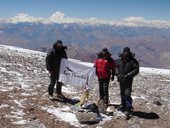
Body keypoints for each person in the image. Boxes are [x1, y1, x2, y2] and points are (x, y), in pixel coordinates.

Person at [116, 47, 139, 119]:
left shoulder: (133, 61)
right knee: (122, 93)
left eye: (127, 52)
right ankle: (123, 105)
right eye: (125, 52)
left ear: (129, 52)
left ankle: (128, 108)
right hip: (121, 79)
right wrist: (117, 74)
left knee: (127, 94)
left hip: (128, 80)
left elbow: (136, 70)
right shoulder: (120, 60)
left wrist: (128, 75)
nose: (126, 53)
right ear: (123, 52)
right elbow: (116, 67)